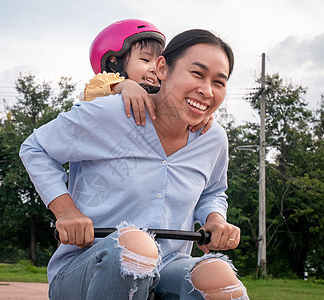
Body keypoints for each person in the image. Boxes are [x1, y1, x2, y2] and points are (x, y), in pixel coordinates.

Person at [20, 28, 248, 299]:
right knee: (135, 247)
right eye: (197, 74)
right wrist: (66, 211)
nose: (206, 90)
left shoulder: (213, 139)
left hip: (168, 267)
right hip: (86, 268)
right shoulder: (112, 112)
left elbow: (212, 192)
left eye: (219, 82)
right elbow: (36, 148)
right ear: (162, 68)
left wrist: (215, 220)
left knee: (218, 277)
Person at [83, 19, 213, 133]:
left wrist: (198, 113)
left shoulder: (159, 96)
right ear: (114, 62)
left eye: (158, 63)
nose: (154, 69)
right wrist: (124, 86)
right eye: (145, 60)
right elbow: (92, 91)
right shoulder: (104, 87)